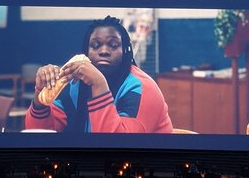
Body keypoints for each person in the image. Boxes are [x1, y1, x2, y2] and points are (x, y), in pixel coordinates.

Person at [24, 15, 173, 133]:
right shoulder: (72, 84)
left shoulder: (142, 88)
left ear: (126, 51)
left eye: (113, 45)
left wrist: (99, 84)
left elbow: (121, 147)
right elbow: (41, 135)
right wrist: (40, 102)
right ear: (86, 52)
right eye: (95, 46)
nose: (103, 51)